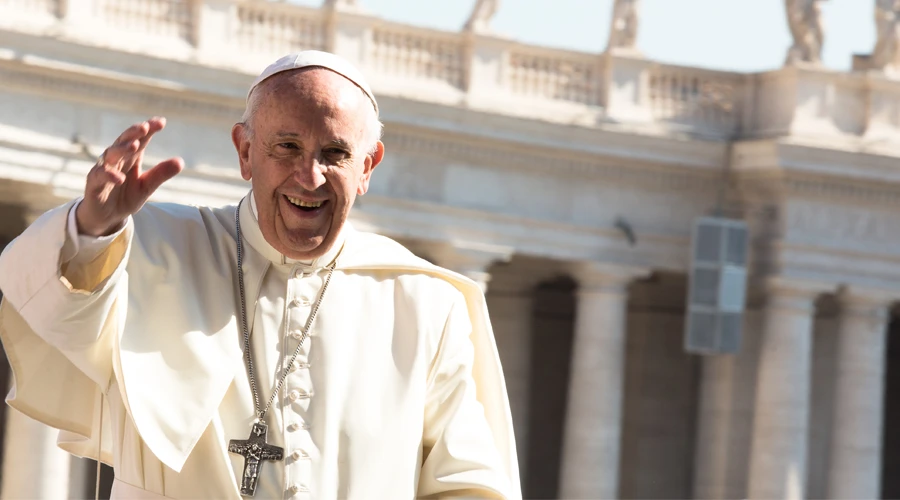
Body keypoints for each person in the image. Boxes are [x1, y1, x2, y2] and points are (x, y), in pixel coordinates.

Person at [0, 51, 520, 499]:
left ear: (367, 167)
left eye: (335, 153)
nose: (309, 176)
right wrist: (92, 228)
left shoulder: (425, 302)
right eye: (287, 146)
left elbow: (467, 480)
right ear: (246, 151)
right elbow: (53, 310)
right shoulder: (153, 248)